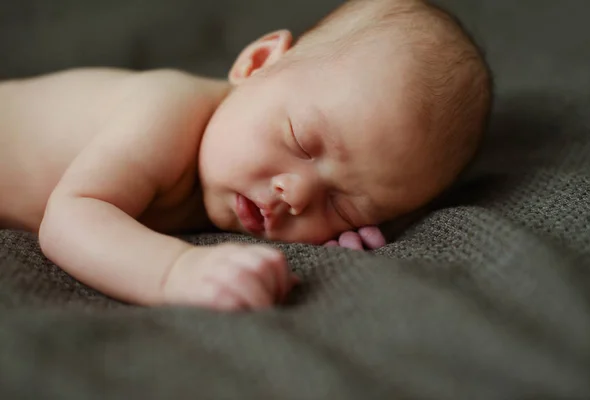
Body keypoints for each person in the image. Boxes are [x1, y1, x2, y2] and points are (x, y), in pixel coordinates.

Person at [0, 0, 492, 311]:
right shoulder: (166, 111)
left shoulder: (252, 180)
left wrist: (347, 235)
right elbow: (70, 218)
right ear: (255, 64)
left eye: (342, 204)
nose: (297, 195)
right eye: (300, 141)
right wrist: (176, 272)